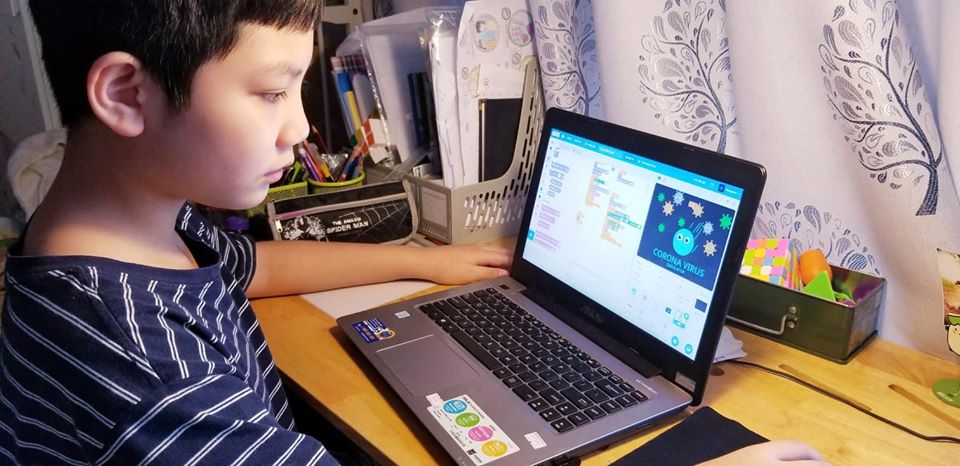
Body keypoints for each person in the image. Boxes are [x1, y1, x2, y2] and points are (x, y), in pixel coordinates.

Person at [0, 1, 827, 464]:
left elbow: (249, 267)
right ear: (126, 95)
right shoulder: (147, 369)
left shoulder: (131, 230)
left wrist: (427, 264)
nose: (301, 129)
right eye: (271, 92)